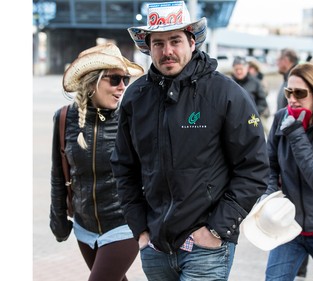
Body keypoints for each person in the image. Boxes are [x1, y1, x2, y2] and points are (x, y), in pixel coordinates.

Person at [110, 1, 270, 280]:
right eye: (158, 43)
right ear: (148, 47)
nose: (167, 50)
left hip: (205, 246)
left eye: (175, 40)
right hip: (156, 246)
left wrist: (218, 229)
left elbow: (253, 168)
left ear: (192, 42)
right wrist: (141, 230)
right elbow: (125, 167)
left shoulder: (226, 94)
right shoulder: (136, 97)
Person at [49, 43, 144, 281]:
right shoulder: (63, 118)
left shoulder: (131, 120)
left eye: (125, 79)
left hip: (124, 224)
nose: (122, 86)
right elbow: (58, 174)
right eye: (114, 79)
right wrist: (58, 220)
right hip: (84, 227)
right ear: (92, 82)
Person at [264, 62, 313, 281]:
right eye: (289, 91)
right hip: (288, 229)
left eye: (300, 93)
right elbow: (269, 165)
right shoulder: (281, 118)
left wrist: (296, 133)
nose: (292, 98)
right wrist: (269, 197)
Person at [231, 56, 270, 135]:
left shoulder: (255, 83)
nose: (239, 72)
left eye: (241, 69)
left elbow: (262, 102)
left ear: (246, 68)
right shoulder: (229, 83)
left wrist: (253, 114)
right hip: (234, 121)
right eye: (236, 69)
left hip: (253, 119)